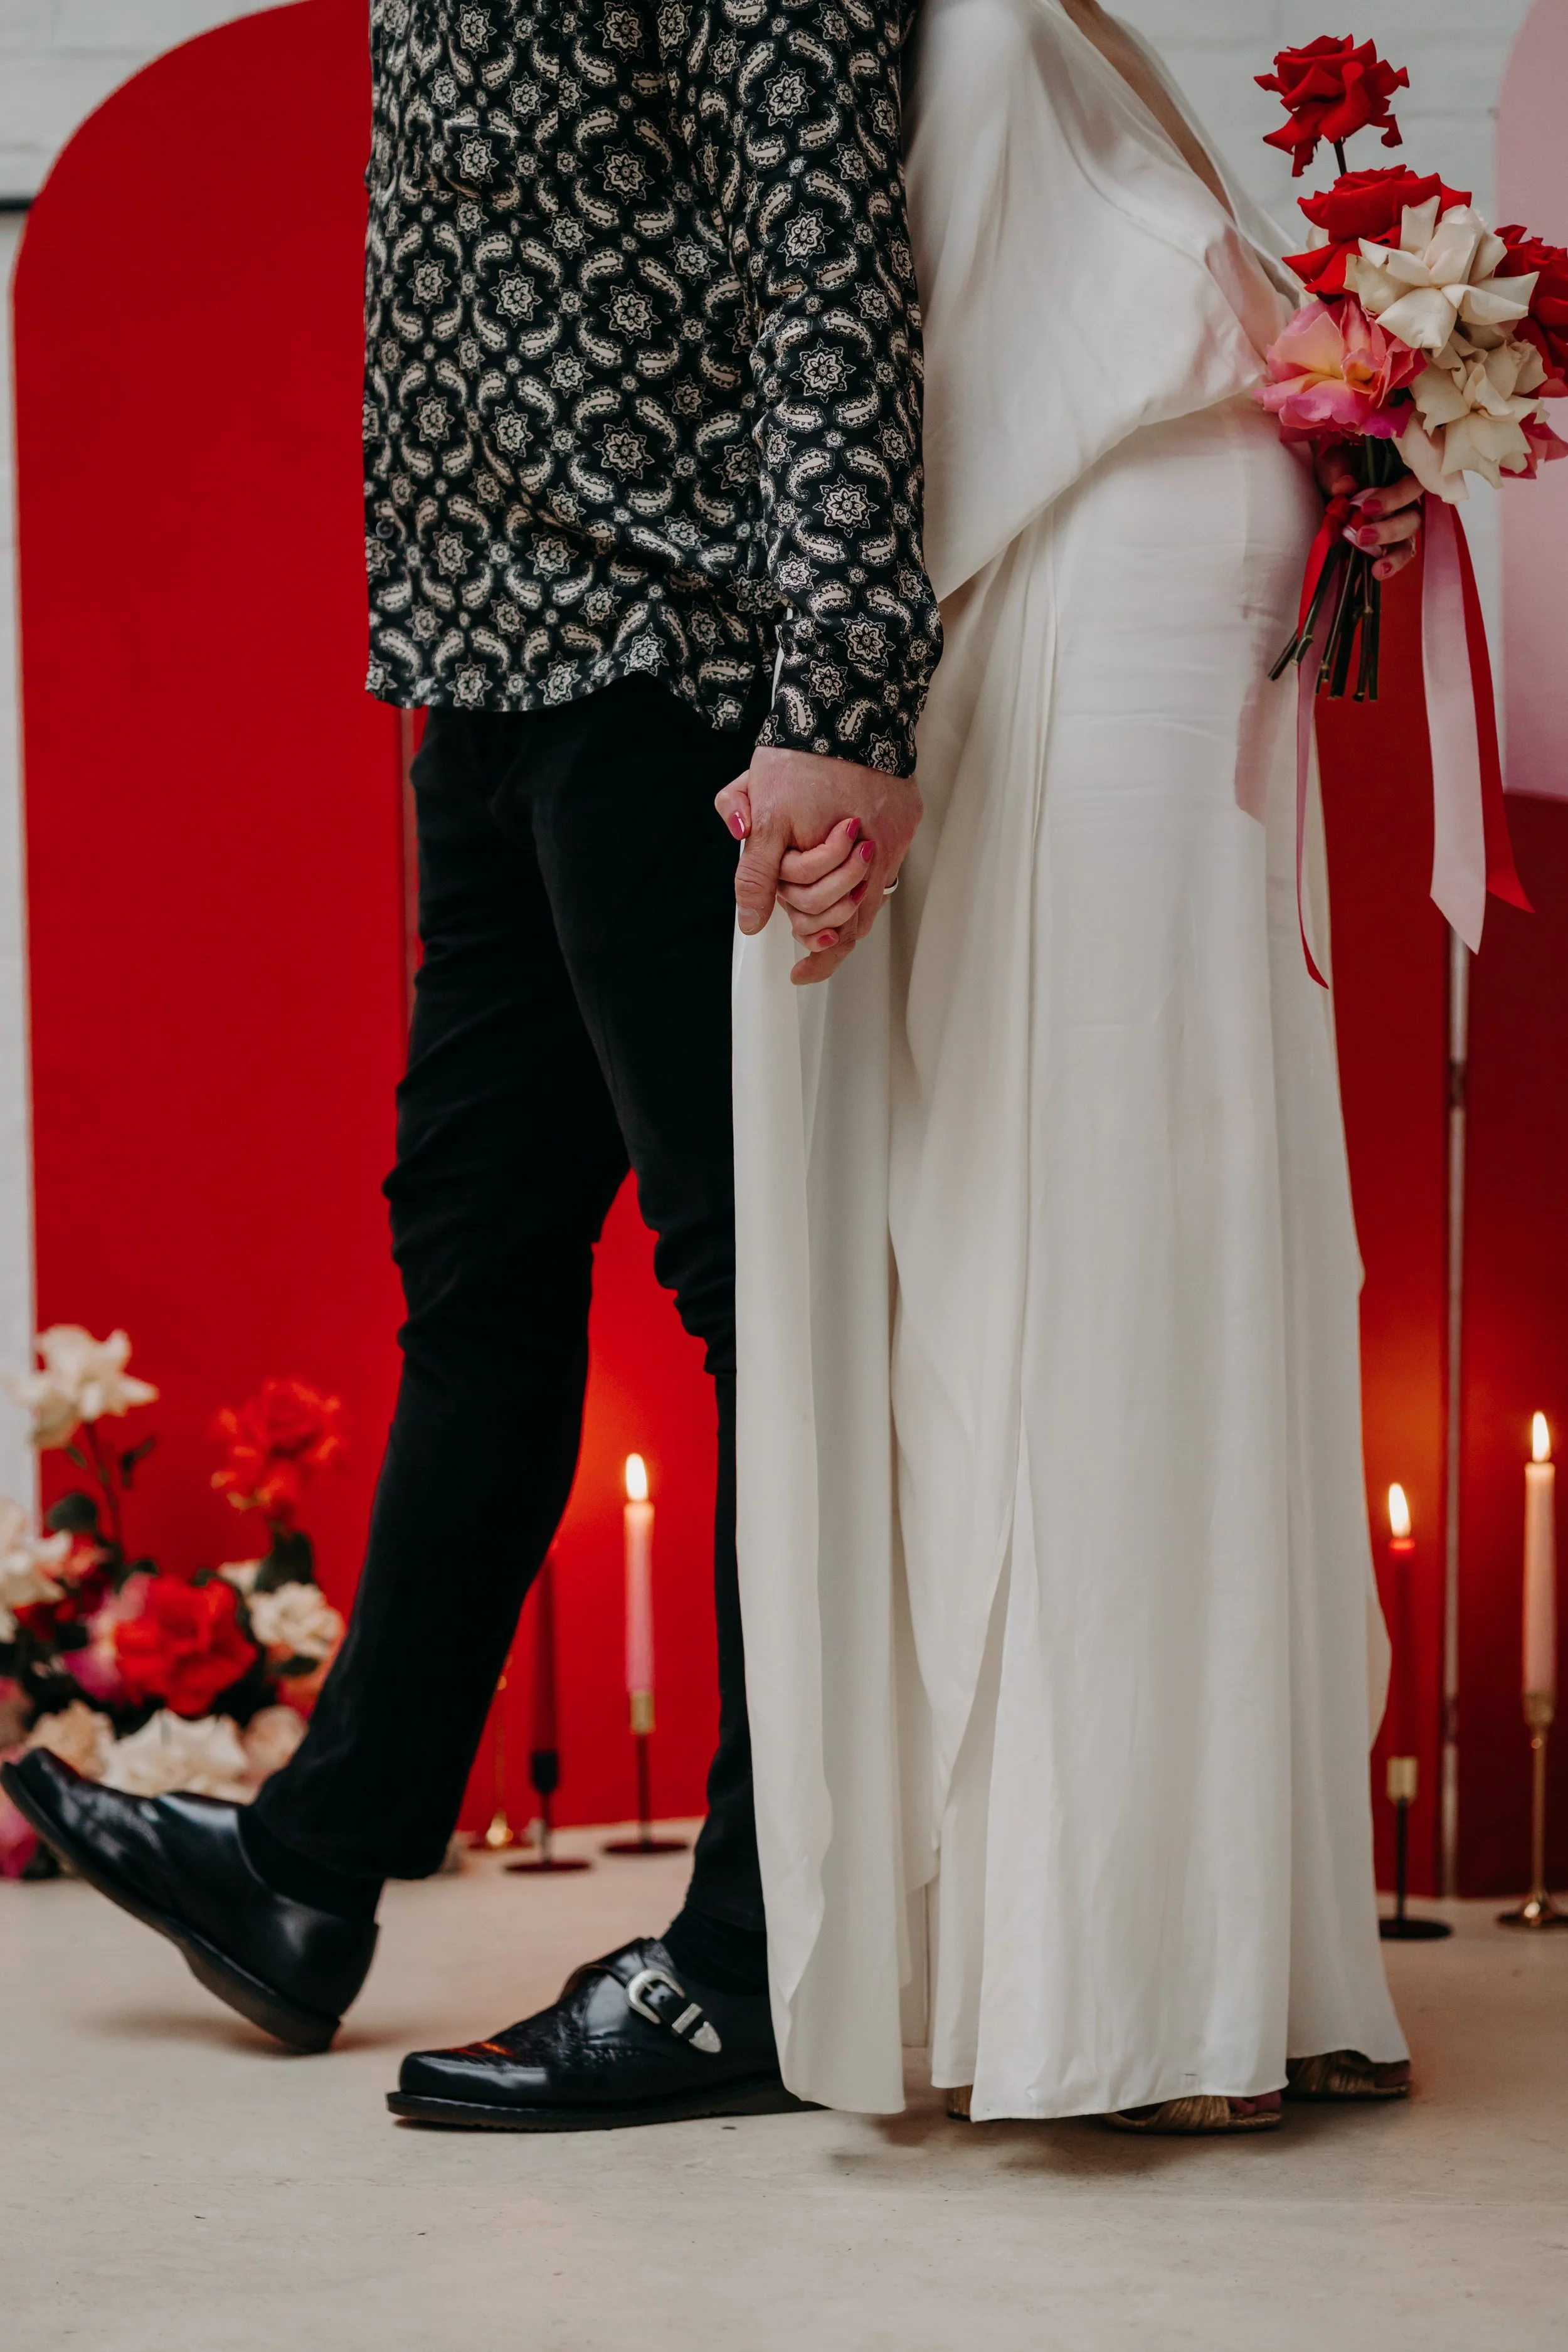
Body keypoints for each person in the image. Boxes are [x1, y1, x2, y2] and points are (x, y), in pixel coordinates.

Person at [1, 0, 937, 2132]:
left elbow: (825, 260)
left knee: (760, 1312)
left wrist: (844, 686)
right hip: (484, 665)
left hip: (677, 675)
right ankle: (310, 1874)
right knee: (482, 1277)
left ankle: (753, 1959)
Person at [720, 0, 1419, 2134]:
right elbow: (968, 335)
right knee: (1118, 1234)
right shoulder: (994, 25)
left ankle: (1175, 1961)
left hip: (1140, 640)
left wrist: (1337, 426)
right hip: (1119, 629)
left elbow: (988, 330)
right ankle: (1152, 1962)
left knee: (1138, 1246)